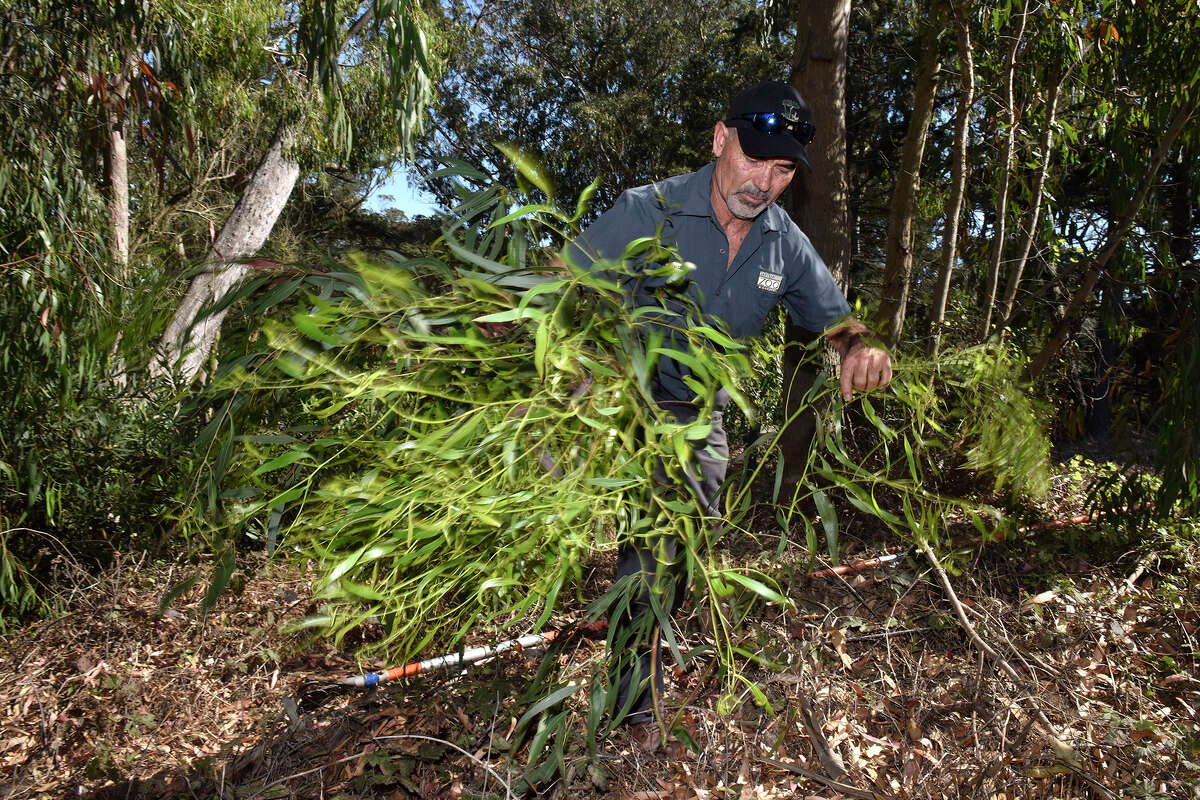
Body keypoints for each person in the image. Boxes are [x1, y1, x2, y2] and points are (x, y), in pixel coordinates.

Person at [563, 80, 893, 746]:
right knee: (548, 522)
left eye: (783, 168)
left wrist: (859, 347)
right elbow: (561, 287)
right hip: (614, 399)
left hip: (695, 416)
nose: (764, 181)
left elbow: (836, 321)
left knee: (665, 549)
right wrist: (566, 368)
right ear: (721, 139)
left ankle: (634, 698)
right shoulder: (646, 211)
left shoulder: (783, 244)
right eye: (754, 157)